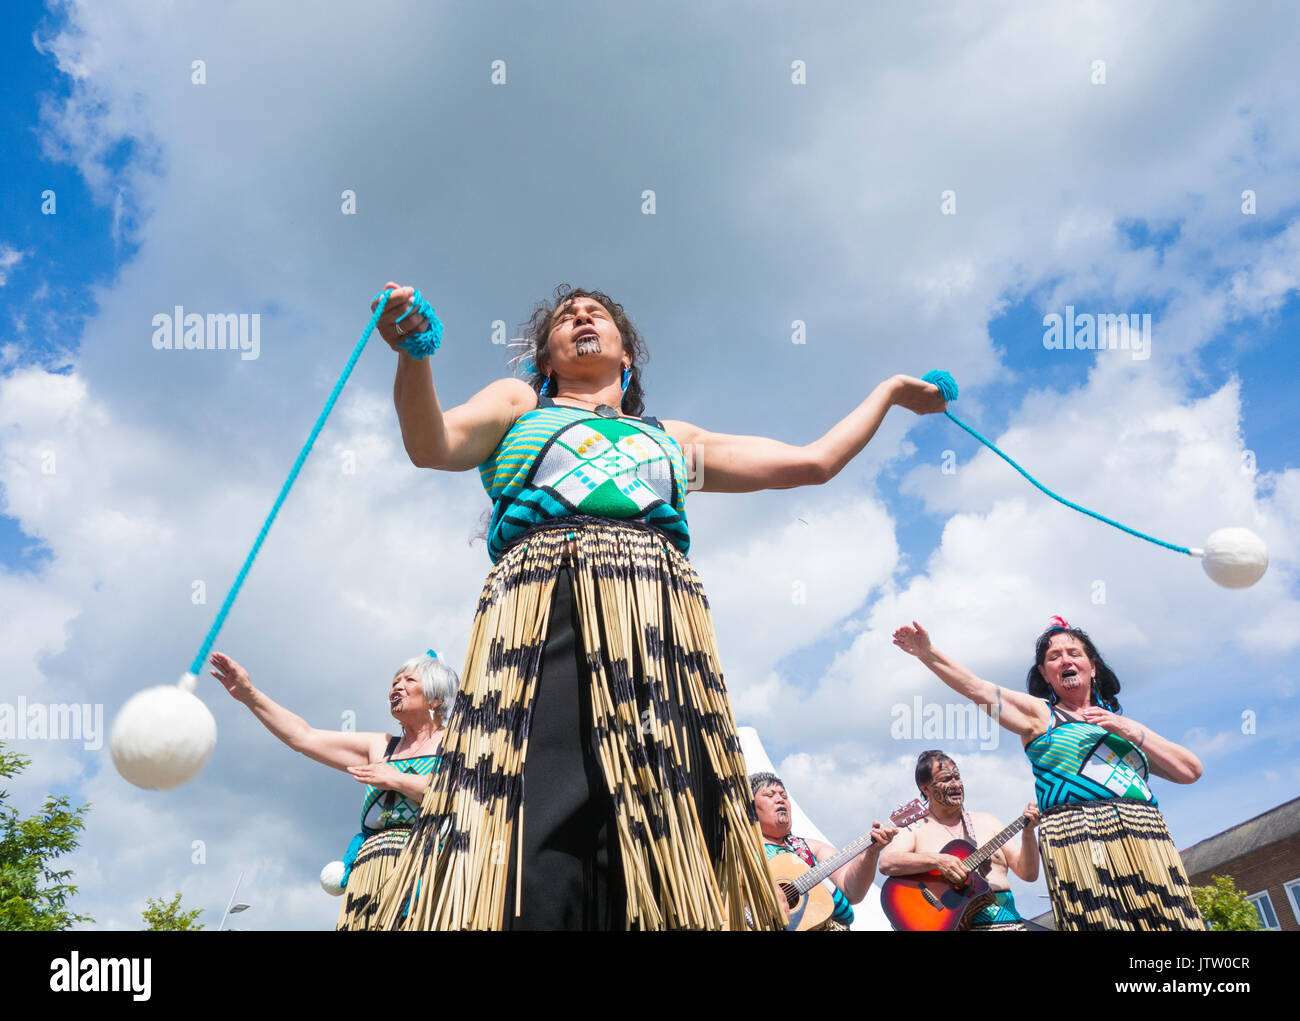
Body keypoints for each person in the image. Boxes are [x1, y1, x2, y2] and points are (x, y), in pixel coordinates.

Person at [368, 282, 948, 930]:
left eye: (597, 313)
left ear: (627, 357)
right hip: (545, 612)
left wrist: (891, 392)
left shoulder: (672, 440)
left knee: (669, 810)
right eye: (565, 317)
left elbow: (812, 462)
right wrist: (414, 354)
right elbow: (433, 444)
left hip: (660, 625)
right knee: (543, 805)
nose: (581, 315)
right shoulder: (520, 408)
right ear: (547, 360)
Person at [891, 617, 1205, 931]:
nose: (1065, 660)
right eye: (1054, 657)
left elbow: (1189, 771)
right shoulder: (1042, 716)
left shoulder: (1123, 730)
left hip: (1145, 838)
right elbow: (978, 688)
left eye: (1074, 653)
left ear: (1092, 667)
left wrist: (1128, 728)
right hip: (1081, 841)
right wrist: (928, 653)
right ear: (1045, 673)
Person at [208, 649, 458, 930]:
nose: (396, 687)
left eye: (409, 680)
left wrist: (396, 779)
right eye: (394, 681)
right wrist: (248, 694)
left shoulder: (457, 743)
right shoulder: (381, 746)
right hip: (370, 874)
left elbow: (458, 797)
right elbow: (304, 737)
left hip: (427, 870)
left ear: (436, 698)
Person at [878, 750, 1039, 930]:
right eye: (946, 779)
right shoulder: (915, 829)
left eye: (957, 777)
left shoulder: (988, 821)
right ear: (925, 788)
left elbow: (1029, 874)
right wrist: (938, 861)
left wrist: (1028, 833)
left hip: (1010, 924)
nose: (955, 784)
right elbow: (887, 863)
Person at [751, 772, 895, 930]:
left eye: (784, 795)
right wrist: (767, 889)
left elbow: (852, 891)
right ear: (750, 807)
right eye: (769, 795)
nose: (780, 799)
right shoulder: (741, 850)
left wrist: (871, 853)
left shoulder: (810, 848)